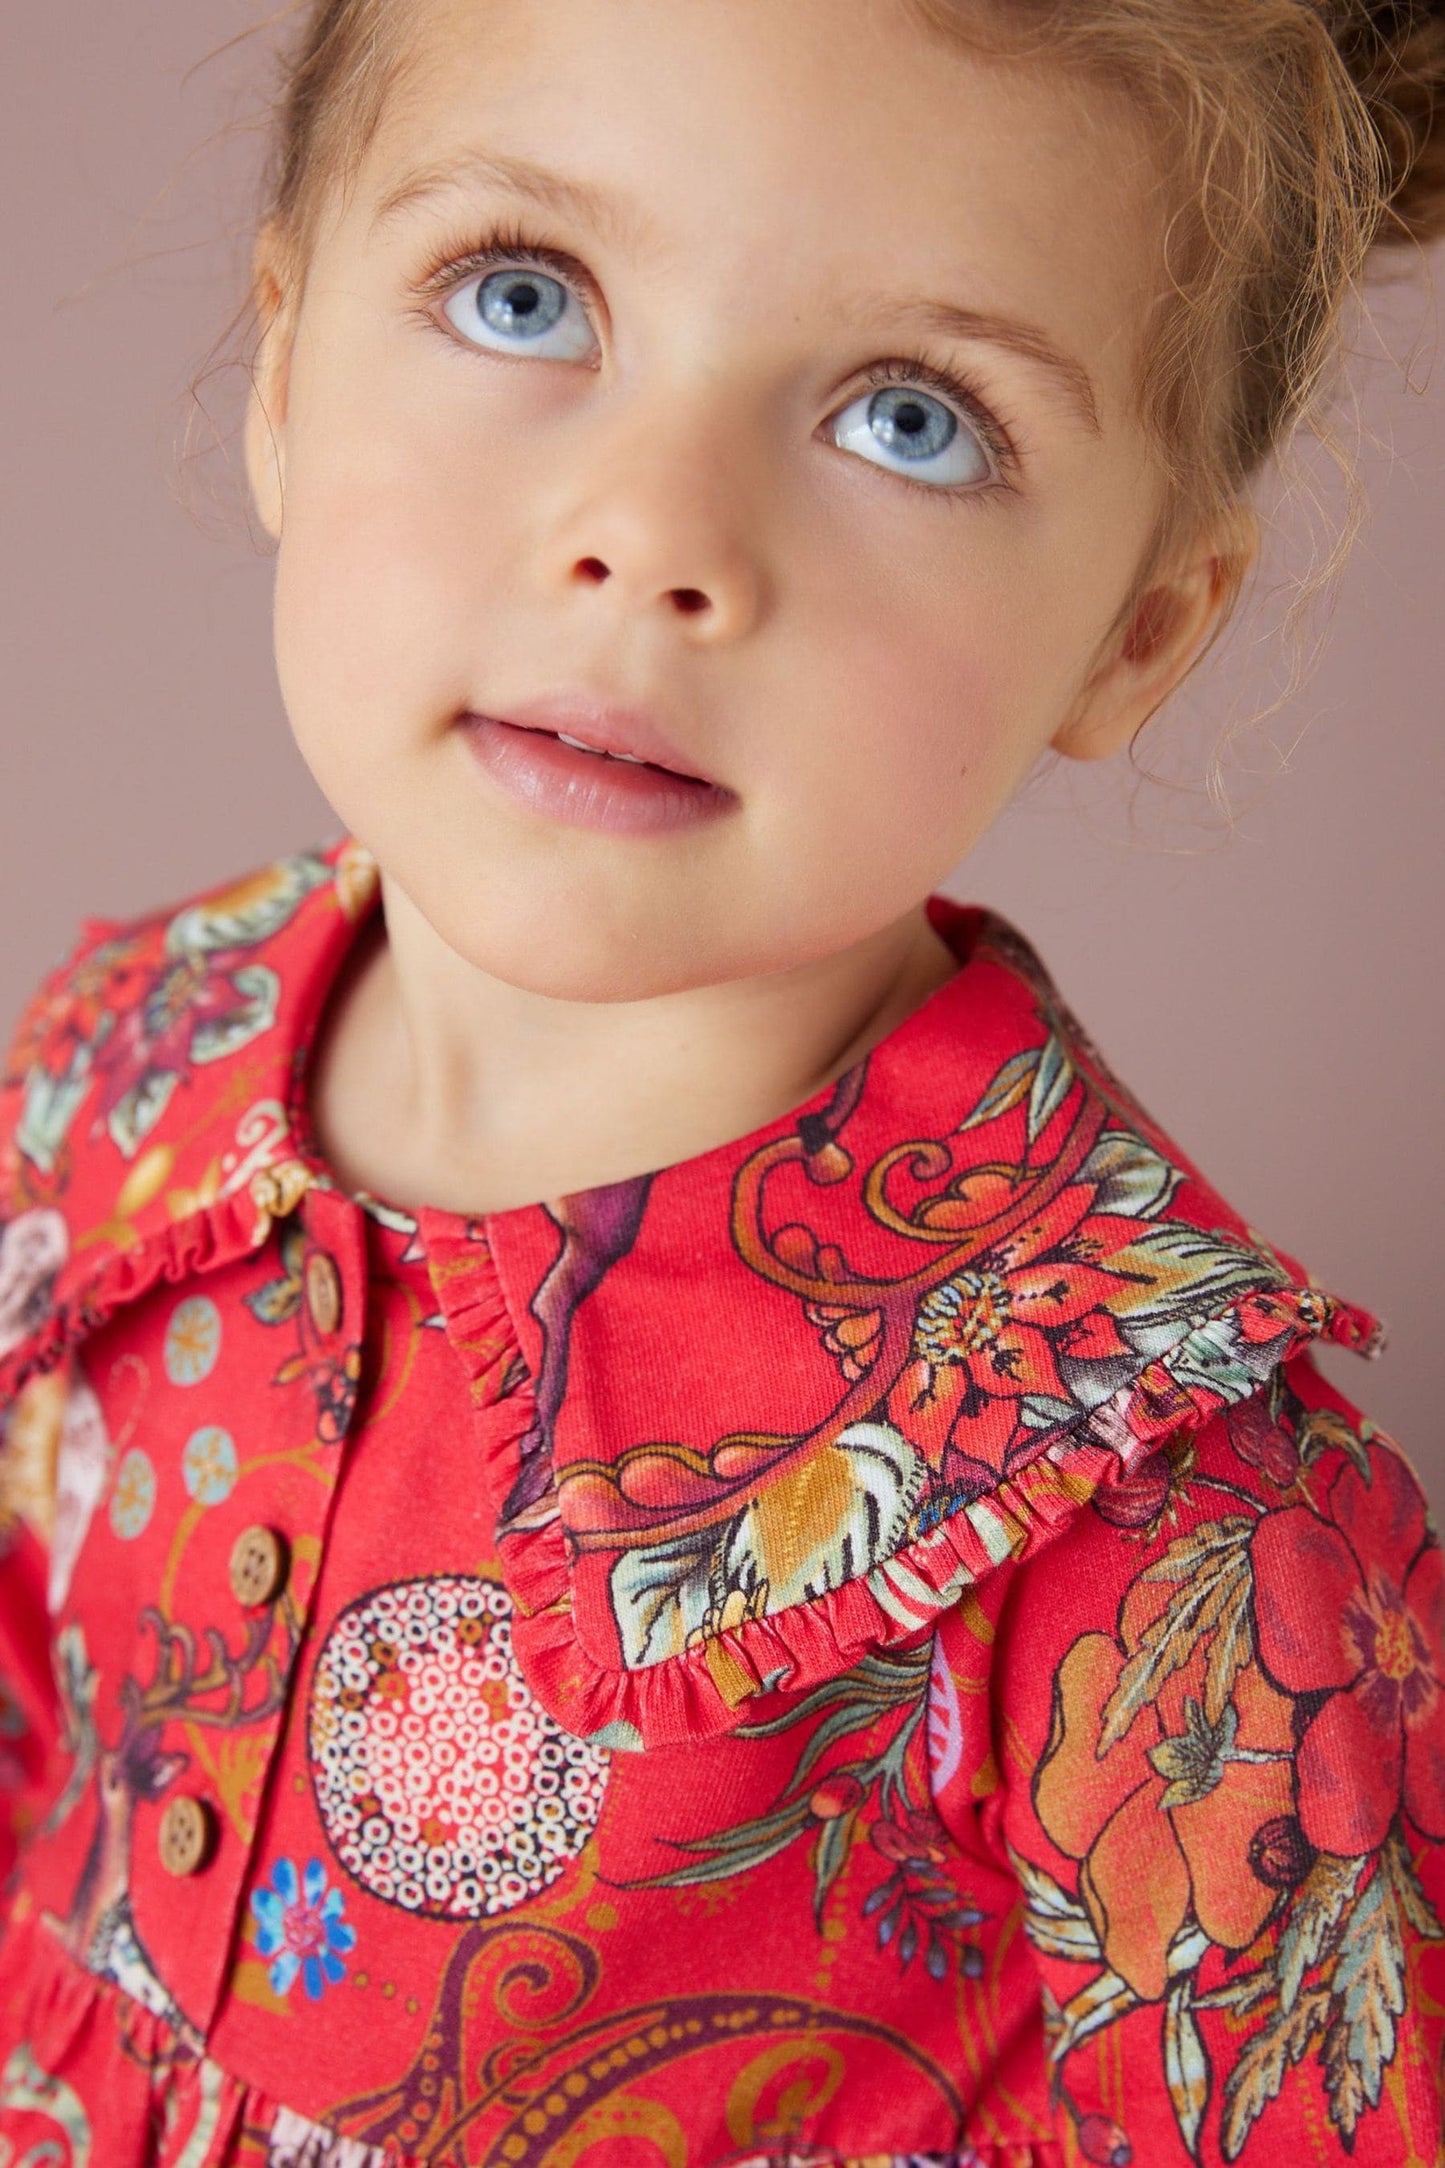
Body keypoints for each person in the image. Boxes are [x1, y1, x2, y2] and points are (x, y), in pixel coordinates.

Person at [2, 1, 1443, 2161]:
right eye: (524, 295)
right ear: (285, 366)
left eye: (908, 420)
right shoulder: (118, 1069)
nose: (653, 532)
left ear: (1139, 630)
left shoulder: (1173, 1535)